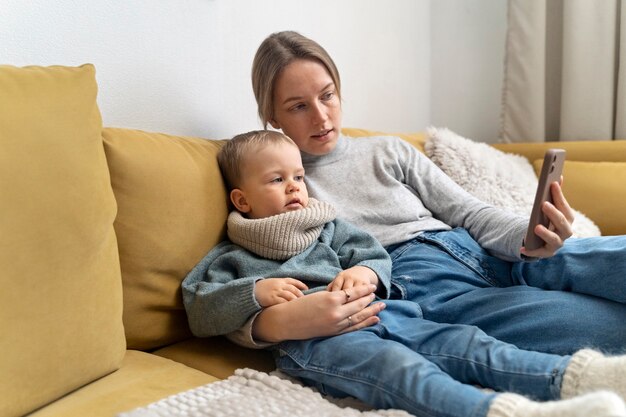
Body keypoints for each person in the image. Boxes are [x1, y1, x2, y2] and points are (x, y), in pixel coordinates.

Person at [183, 129, 626, 417]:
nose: (296, 186)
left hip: (402, 296)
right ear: (241, 201)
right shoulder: (233, 255)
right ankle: (507, 409)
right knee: (409, 367)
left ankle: (576, 377)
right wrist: (258, 296)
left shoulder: (329, 225)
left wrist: (366, 274)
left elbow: (371, 252)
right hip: (327, 336)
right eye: (278, 180)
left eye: (297, 176)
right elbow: (201, 304)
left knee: (469, 340)